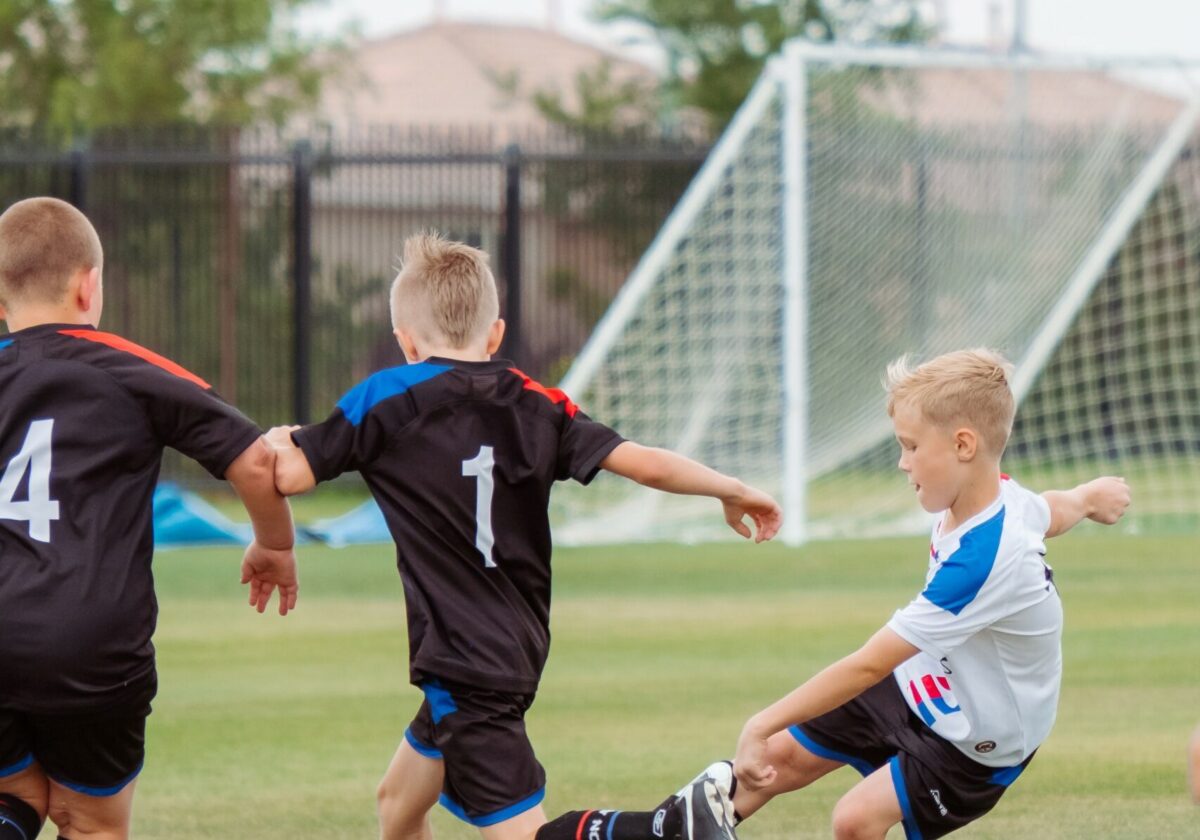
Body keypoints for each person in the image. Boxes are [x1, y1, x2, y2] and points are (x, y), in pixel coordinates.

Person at [266, 231, 782, 840]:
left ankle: (669, 828)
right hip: (515, 643)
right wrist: (728, 487)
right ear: (495, 335)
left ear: (406, 342)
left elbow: (292, 475)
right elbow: (642, 460)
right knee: (398, 805)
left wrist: (281, 439)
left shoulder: (385, 398)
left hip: (462, 659)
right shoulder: (539, 403)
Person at [714, 349, 1131, 840]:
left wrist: (759, 722)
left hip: (977, 742)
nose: (901, 461)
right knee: (778, 758)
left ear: (962, 445)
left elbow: (869, 664)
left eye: (911, 446)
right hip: (926, 680)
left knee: (854, 820)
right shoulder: (993, 497)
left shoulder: (983, 560)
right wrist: (1087, 498)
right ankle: (658, 829)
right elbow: (1047, 510)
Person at [0, 197, 298, 840]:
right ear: (89, 286)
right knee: (89, 822)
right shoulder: (130, 368)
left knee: (14, 794)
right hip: (90, 638)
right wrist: (274, 546)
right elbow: (253, 462)